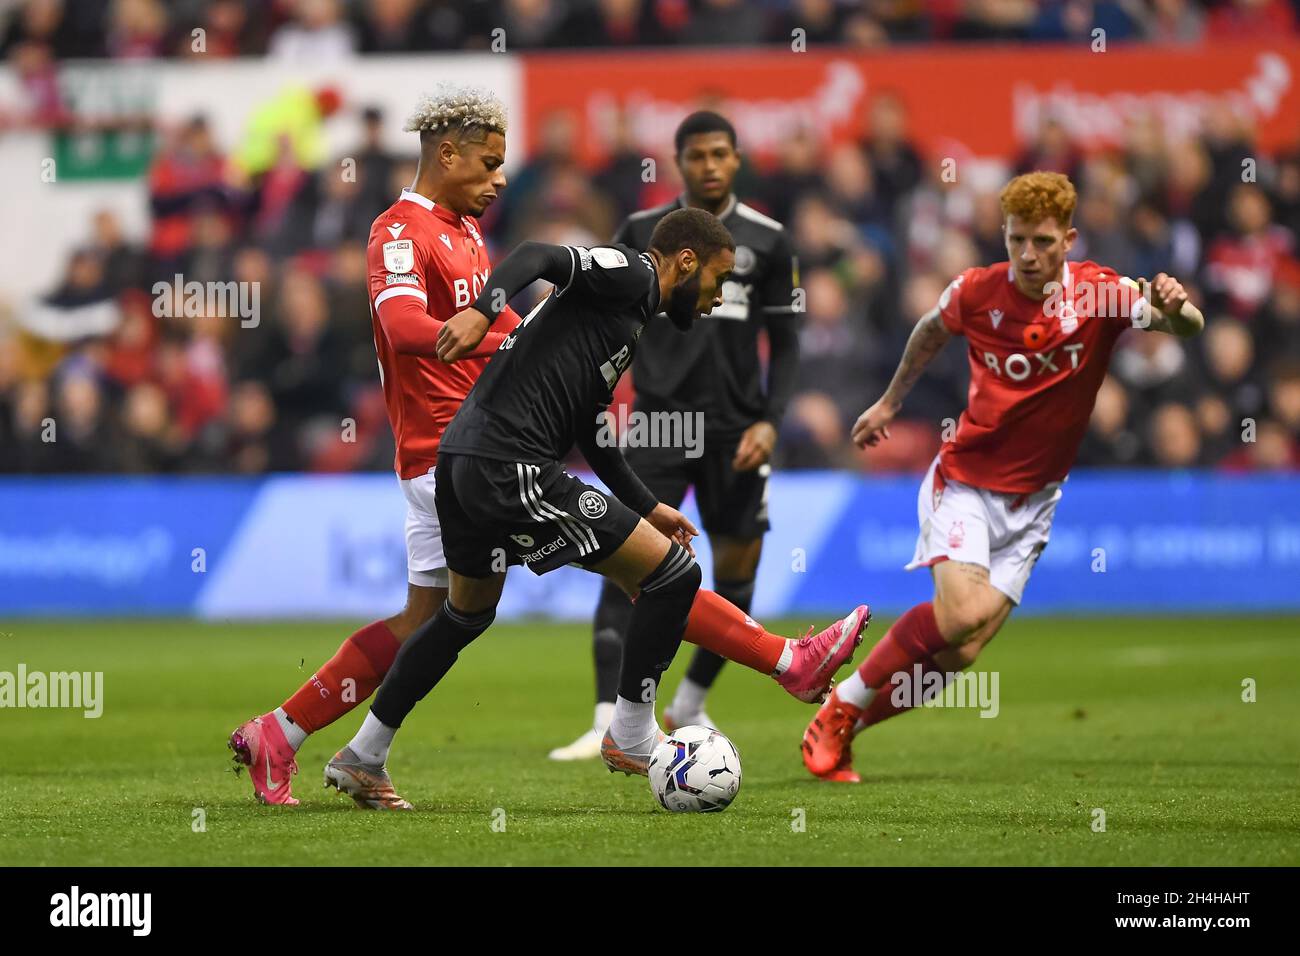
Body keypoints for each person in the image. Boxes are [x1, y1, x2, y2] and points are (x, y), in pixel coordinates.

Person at [324, 207, 871, 808]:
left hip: (465, 462)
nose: (716, 300)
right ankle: (635, 731)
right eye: (716, 281)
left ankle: (363, 756)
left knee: (463, 615)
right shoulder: (633, 274)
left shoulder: (626, 318)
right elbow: (538, 252)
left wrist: (646, 504)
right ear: (684, 262)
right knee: (672, 573)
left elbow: (589, 425)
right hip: (510, 466)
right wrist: (482, 311)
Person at [802, 171, 1204, 782]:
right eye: (1017, 239)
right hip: (966, 479)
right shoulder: (977, 291)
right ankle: (843, 702)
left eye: (1043, 241)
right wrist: (889, 403)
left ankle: (850, 725)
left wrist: (1178, 312)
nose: (1028, 255)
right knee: (960, 616)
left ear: (1068, 239)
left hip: (1037, 499)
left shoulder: (1099, 294)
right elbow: (929, 331)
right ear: (1003, 235)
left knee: (961, 650)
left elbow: (1186, 326)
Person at [228, 84, 520, 806]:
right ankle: (653, 717)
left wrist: (552, 334)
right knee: (624, 555)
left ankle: (286, 733)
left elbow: (496, 316)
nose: (499, 179)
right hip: (448, 452)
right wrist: (509, 336)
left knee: (431, 621)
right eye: (487, 164)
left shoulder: (467, 232)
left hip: (465, 446)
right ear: (445, 154)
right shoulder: (398, 231)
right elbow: (404, 328)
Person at [552, 110, 800, 760]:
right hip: (660, 424)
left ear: (737, 159)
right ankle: (609, 716)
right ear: (679, 161)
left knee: (738, 564)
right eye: (697, 155)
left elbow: (790, 341)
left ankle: (689, 701)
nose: (710, 165)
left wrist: (772, 422)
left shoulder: (771, 241)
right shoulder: (641, 233)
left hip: (738, 431)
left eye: (721, 153)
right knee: (627, 562)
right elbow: (597, 322)